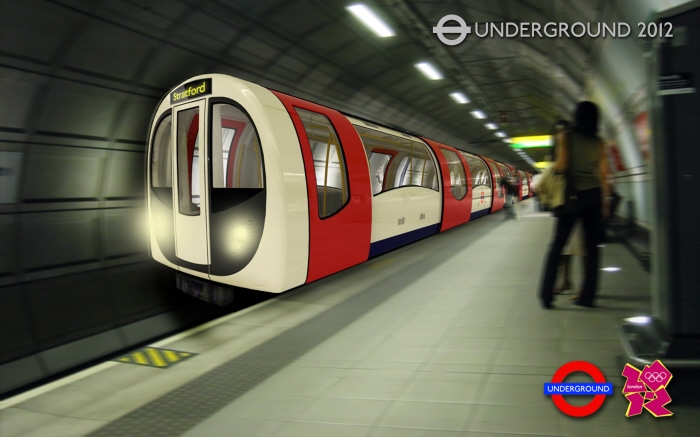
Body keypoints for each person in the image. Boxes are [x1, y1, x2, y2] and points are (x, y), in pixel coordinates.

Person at [539, 102, 610, 309]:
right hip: (593, 196)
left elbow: (561, 166)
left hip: (571, 197)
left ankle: (546, 297)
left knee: (557, 245)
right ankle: (588, 297)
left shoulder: (567, 136)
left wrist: (551, 166)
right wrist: (605, 203)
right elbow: (604, 174)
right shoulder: (599, 142)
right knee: (593, 248)